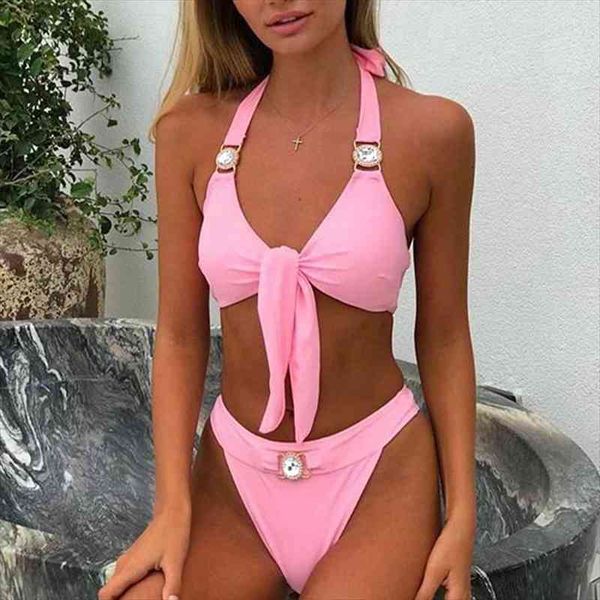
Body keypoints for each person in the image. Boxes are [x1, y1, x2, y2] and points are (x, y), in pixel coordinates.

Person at [98, 1, 477, 599]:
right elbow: (180, 335)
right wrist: (171, 507)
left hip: (378, 481)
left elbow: (445, 336)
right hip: (234, 486)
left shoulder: (434, 133)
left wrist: (461, 516)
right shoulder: (189, 133)